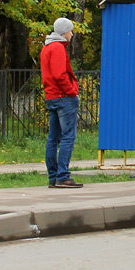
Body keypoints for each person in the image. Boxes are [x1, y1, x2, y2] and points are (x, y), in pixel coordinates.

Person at [42, 17, 82, 189]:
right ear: (64, 32)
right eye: (70, 31)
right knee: (68, 136)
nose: (72, 34)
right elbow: (60, 75)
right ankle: (63, 176)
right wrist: (72, 91)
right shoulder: (58, 48)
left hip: (51, 96)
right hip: (63, 97)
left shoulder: (46, 47)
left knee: (53, 138)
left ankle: (53, 176)